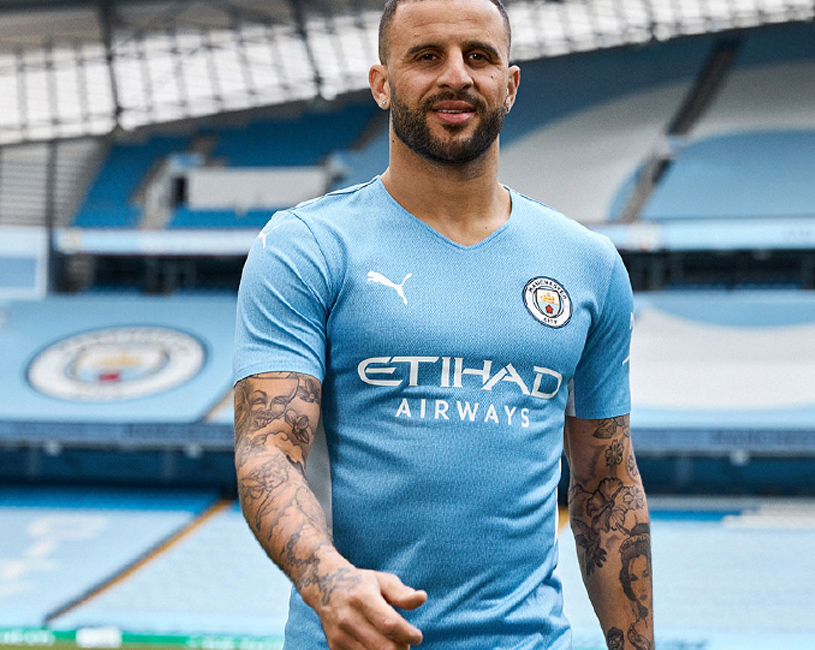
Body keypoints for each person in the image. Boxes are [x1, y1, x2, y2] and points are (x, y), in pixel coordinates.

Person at [232, 0, 654, 648]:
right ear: (382, 83)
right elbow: (267, 452)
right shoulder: (305, 246)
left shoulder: (587, 265)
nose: (456, 75)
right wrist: (329, 581)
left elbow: (607, 487)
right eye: (427, 56)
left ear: (509, 85)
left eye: (478, 56)